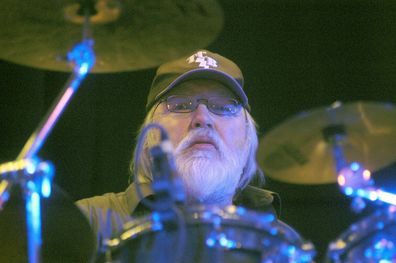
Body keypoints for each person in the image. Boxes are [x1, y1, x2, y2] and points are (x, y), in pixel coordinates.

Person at [76, 50, 278, 249]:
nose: (202, 119)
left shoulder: (279, 244)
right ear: (149, 138)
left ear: (248, 138)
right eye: (181, 105)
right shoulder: (86, 223)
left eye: (224, 107)